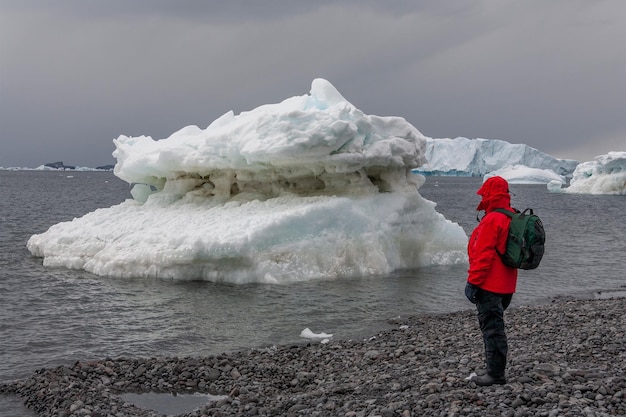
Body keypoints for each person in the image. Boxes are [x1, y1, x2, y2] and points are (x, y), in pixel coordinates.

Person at [465, 176, 518, 386]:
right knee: (495, 327)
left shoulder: (493, 219)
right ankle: (494, 369)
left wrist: (472, 283)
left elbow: (483, 255)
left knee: (492, 329)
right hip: (507, 285)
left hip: (489, 285)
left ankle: (495, 374)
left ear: (489, 193)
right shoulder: (512, 215)